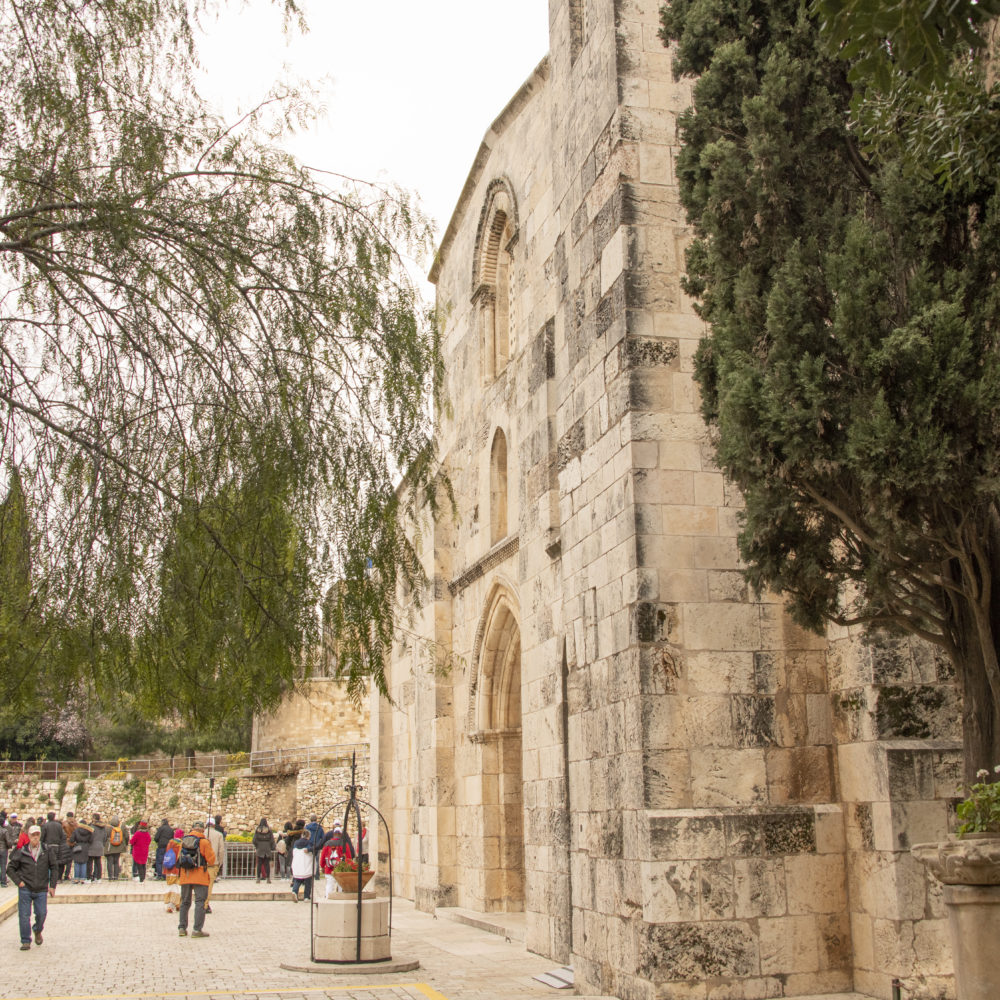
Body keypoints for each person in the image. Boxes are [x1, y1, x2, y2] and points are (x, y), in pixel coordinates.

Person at [6, 824, 57, 951]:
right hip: (26, 888)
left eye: (37, 835)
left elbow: (54, 867)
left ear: (40, 836)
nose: (35, 837)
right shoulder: (22, 851)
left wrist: (52, 885)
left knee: (41, 913)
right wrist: (19, 882)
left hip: (41, 888)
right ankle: (25, 941)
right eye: (33, 835)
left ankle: (37, 930)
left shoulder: (46, 850)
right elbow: (10, 868)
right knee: (24, 915)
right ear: (28, 836)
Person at [176, 821, 215, 938]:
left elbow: (178, 858)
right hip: (200, 876)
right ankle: (197, 930)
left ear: (192, 829)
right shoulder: (204, 842)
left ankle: (182, 928)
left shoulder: (183, 841)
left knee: (185, 902)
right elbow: (211, 860)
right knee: (200, 902)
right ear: (202, 830)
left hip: (186, 875)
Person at [203, 820, 224, 914]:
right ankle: (205, 905)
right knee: (209, 885)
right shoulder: (219, 835)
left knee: (201, 885)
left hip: (202, 864)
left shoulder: (201, 834)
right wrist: (219, 863)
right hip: (213, 864)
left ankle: (201, 903)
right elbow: (221, 850)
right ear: (214, 825)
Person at [163, 828, 184, 914]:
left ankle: (168, 904)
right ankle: (175, 904)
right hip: (176, 869)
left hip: (168, 869)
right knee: (176, 887)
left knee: (169, 886)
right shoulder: (180, 845)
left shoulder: (170, 843)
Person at [289, 834, 313, 902]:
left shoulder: (296, 843)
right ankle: (306, 897)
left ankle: (294, 891)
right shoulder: (309, 843)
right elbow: (313, 851)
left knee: (297, 880)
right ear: (308, 836)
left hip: (297, 864)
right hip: (306, 864)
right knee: (308, 881)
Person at [251, 818, 275, 883]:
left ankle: (258, 878)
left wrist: (257, 846)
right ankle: (268, 878)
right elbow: (272, 840)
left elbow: (254, 840)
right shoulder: (269, 830)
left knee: (259, 864)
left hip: (260, 848)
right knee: (267, 864)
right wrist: (272, 847)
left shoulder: (258, 830)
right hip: (267, 848)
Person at [69, 818, 92, 883]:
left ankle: (76, 879)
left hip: (78, 847)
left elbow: (71, 840)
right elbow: (91, 840)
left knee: (77, 862)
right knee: (84, 863)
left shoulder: (76, 830)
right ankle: (83, 879)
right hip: (86, 847)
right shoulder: (89, 831)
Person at [87, 813, 108, 881]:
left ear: (94, 818)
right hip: (100, 846)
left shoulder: (91, 826)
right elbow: (105, 837)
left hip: (92, 846)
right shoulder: (103, 827)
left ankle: (89, 877)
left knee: (90, 863)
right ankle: (98, 877)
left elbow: (89, 837)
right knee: (98, 863)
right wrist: (102, 844)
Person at [105, 816, 128, 880]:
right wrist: (125, 844)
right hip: (118, 847)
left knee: (109, 862)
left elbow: (104, 836)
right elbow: (126, 836)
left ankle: (110, 877)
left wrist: (105, 844)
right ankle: (116, 876)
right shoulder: (122, 828)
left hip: (109, 847)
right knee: (116, 862)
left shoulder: (107, 828)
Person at [0, 811, 19, 888]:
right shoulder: (4, 831)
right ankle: (3, 882)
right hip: (3, 850)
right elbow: (8, 841)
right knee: (3, 865)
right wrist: (10, 846)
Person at [60, 812, 78, 881]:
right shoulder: (76, 824)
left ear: (67, 816)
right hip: (73, 843)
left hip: (65, 843)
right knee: (70, 861)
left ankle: (60, 875)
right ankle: (66, 875)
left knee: (63, 859)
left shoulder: (64, 823)